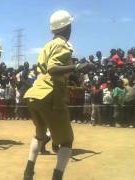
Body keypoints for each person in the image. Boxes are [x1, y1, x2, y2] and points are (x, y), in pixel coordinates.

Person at [22, 10, 94, 180]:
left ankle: (28, 173)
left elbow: (46, 68)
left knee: (39, 135)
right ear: (67, 27)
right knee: (67, 141)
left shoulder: (48, 45)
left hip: (34, 94)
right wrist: (77, 67)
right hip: (50, 95)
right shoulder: (62, 44)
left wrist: (72, 70)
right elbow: (53, 69)